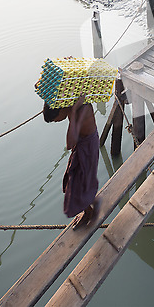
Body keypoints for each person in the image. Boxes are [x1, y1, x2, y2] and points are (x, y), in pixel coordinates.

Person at [43, 96, 99, 230]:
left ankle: (89, 212)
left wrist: (73, 113)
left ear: (60, 110)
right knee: (71, 180)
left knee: (79, 182)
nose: (57, 121)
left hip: (87, 146)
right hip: (81, 143)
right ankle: (88, 207)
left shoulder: (81, 108)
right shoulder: (69, 102)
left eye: (55, 119)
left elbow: (69, 144)